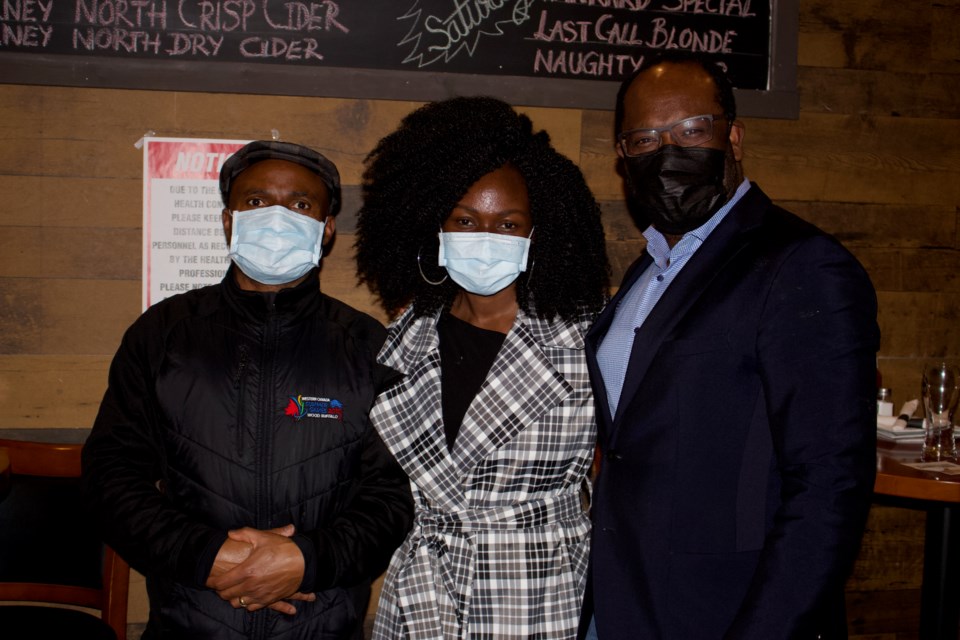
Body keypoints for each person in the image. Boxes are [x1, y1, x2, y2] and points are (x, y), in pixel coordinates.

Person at [580, 52, 880, 639]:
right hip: (624, 602)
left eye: (692, 130)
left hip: (726, 614)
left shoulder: (801, 266)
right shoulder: (649, 271)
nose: (669, 151)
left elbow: (829, 484)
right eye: (644, 139)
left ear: (734, 137)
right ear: (623, 157)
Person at [82, 140, 414, 640]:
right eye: (257, 202)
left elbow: (394, 498)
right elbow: (111, 478)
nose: (277, 218)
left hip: (322, 626)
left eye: (300, 205)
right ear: (227, 220)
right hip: (188, 623)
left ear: (326, 230)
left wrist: (308, 559)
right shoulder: (163, 334)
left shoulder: (370, 347)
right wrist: (207, 555)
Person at [354, 96, 610, 639]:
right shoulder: (404, 338)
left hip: (540, 598)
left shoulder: (588, 340)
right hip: (422, 597)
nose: (485, 238)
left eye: (508, 223)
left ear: (537, 235)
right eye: (466, 220)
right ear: (435, 229)